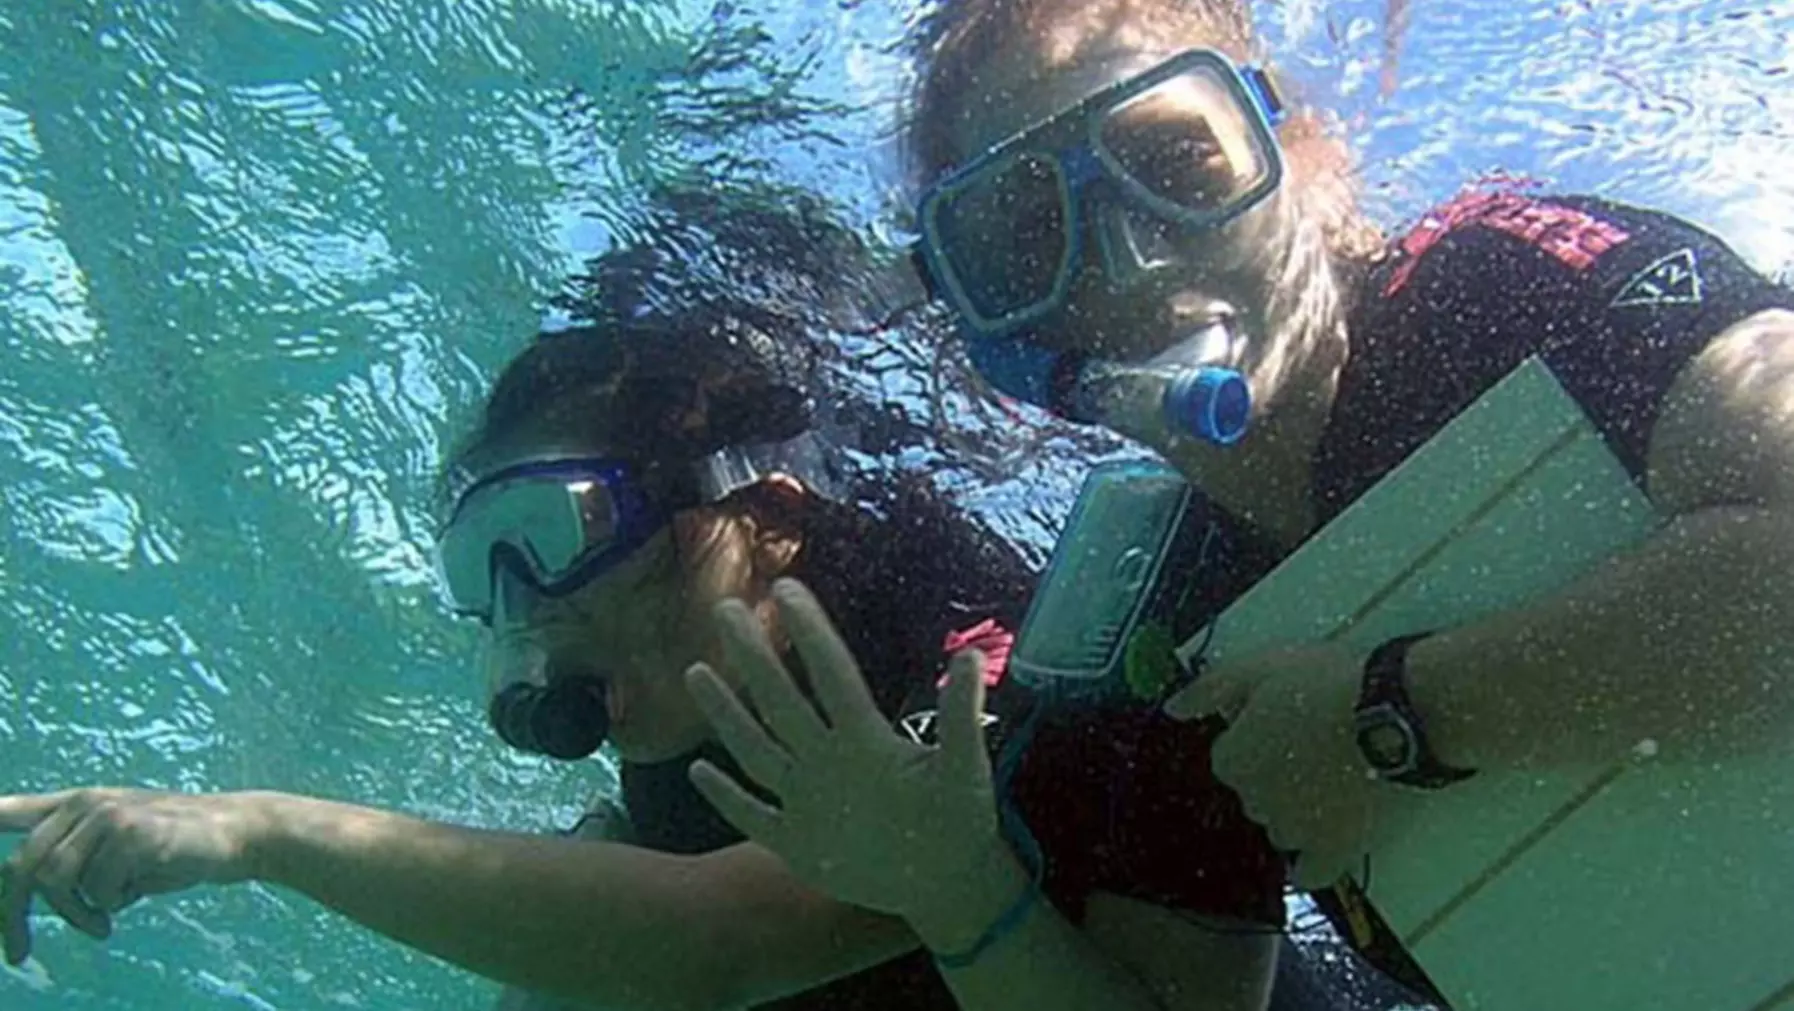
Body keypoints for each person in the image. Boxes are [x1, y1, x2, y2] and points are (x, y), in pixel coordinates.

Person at [0, 199, 1314, 1011]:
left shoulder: (969, 660)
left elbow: (719, 943)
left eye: (550, 529)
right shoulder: (659, 791)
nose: (522, 607)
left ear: (766, 520)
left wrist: (253, 828)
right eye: (480, 570)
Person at [878, 0, 1794, 1002]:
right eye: (1027, 233)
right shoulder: (1166, 620)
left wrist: (1391, 718)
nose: (1130, 260)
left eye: (1179, 161)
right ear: (1002, 337)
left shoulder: (1504, 287)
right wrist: (954, 890)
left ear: (1301, 163)